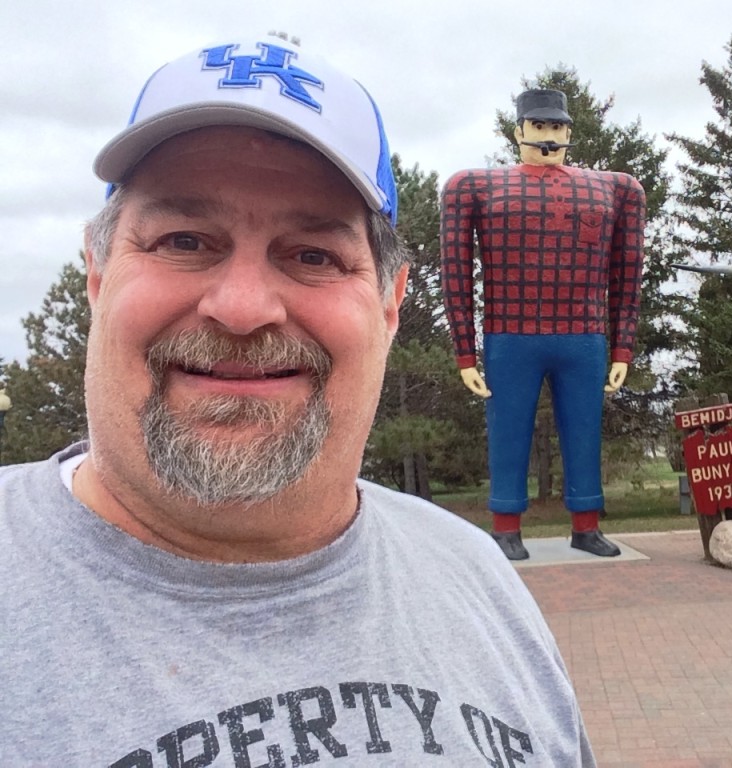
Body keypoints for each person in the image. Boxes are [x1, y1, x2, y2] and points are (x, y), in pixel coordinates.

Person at [0, 38, 595, 766]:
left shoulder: (478, 580)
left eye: (313, 255)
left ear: (390, 306)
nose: (243, 308)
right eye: (184, 240)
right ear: (97, 275)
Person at [441, 88, 646, 561]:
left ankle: (586, 525)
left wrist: (622, 350)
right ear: (519, 131)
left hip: (584, 334)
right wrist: (465, 352)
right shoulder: (474, 187)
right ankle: (506, 526)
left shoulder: (616, 189)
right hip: (511, 333)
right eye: (539, 127)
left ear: (570, 132)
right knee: (507, 428)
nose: (548, 137)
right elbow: (455, 269)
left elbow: (627, 272)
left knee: (584, 429)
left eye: (557, 128)